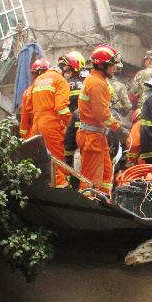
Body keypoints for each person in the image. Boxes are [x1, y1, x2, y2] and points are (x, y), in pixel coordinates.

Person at [77, 45, 122, 194]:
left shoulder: (96, 80)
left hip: (97, 135)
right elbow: (101, 114)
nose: (114, 68)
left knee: (106, 174)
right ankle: (88, 208)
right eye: (112, 65)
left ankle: (103, 203)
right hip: (91, 137)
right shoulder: (97, 83)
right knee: (90, 180)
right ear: (102, 65)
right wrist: (119, 129)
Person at [28, 54, 76, 187]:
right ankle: (63, 193)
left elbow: (30, 107)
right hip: (51, 127)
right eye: (71, 72)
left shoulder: (39, 80)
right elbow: (61, 108)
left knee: (43, 163)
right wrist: (72, 126)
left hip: (36, 127)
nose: (71, 77)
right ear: (66, 69)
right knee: (59, 164)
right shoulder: (60, 81)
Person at [18, 58, 49, 139]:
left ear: (34, 74)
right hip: (52, 129)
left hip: (35, 132)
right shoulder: (53, 89)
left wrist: (25, 138)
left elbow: (24, 120)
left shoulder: (28, 92)